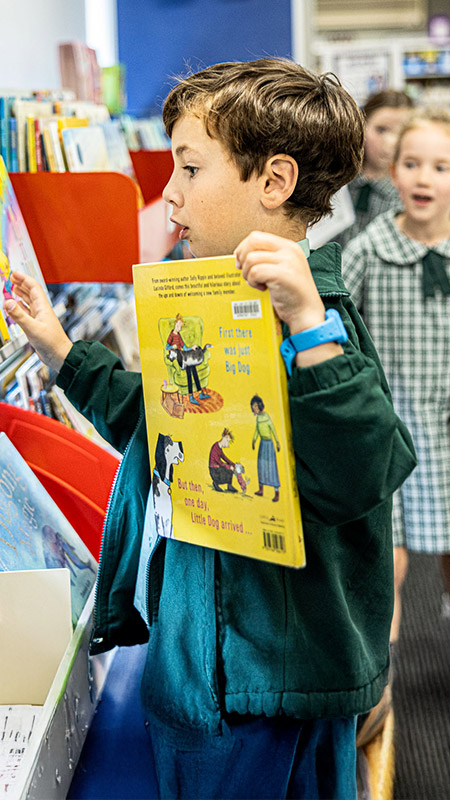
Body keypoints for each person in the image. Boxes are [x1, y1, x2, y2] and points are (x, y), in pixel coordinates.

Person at [5, 58, 416, 800]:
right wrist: (59, 352)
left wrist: (308, 330)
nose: (168, 193)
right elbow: (166, 415)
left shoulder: (315, 317)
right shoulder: (217, 296)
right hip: (204, 668)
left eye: (190, 168)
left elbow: (362, 469)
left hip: (264, 686)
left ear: (274, 182)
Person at [342, 107, 450, 746]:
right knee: (391, 561)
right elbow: (336, 320)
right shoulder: (368, 249)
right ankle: (377, 682)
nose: (424, 176)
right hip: (399, 433)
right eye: (412, 163)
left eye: (441, 166)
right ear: (392, 167)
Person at [335, 89, 414, 250]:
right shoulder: (338, 181)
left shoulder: (411, 195)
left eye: (401, 132)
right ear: (362, 127)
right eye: (381, 129)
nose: (390, 141)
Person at [251, 394, 280, 501]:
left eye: (255, 406)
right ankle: (261, 489)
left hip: (269, 444)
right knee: (261, 465)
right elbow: (257, 430)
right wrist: (254, 440)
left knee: (271, 467)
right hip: (262, 444)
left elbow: (272, 429)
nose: (254, 409)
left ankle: (276, 492)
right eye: (253, 407)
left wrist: (277, 442)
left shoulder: (266, 417)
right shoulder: (258, 418)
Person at [208, 427, 238, 492]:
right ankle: (215, 483)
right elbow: (219, 462)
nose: (227, 444)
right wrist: (228, 467)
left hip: (218, 467)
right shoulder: (215, 447)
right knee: (227, 468)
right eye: (227, 441)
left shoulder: (219, 448)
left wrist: (233, 464)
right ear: (224, 438)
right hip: (214, 470)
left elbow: (224, 458)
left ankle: (229, 486)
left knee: (229, 466)